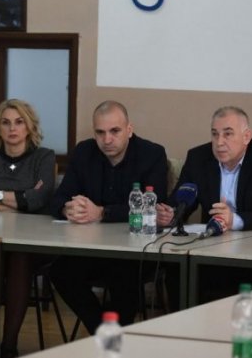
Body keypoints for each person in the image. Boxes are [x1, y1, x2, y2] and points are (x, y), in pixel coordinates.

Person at [49, 101, 168, 333]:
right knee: (60, 271)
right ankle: (103, 331)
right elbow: (58, 198)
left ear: (129, 130)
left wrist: (102, 212)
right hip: (93, 248)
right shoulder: (84, 152)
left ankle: (109, 337)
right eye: (100, 132)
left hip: (135, 252)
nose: (107, 139)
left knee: (125, 277)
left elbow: (154, 206)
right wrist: (67, 208)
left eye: (115, 131)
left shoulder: (152, 154)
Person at [0, 99, 56, 358]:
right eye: (5, 123)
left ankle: (8, 347)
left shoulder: (44, 157)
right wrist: (19, 202)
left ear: (29, 127)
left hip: (31, 242)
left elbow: (39, 198)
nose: (12, 129)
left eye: (19, 122)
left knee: (19, 257)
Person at [157, 106, 252, 231]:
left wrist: (234, 220)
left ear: (246, 137)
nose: (219, 142)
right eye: (215, 134)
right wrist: (170, 215)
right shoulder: (198, 158)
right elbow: (181, 204)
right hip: (214, 239)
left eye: (228, 134)